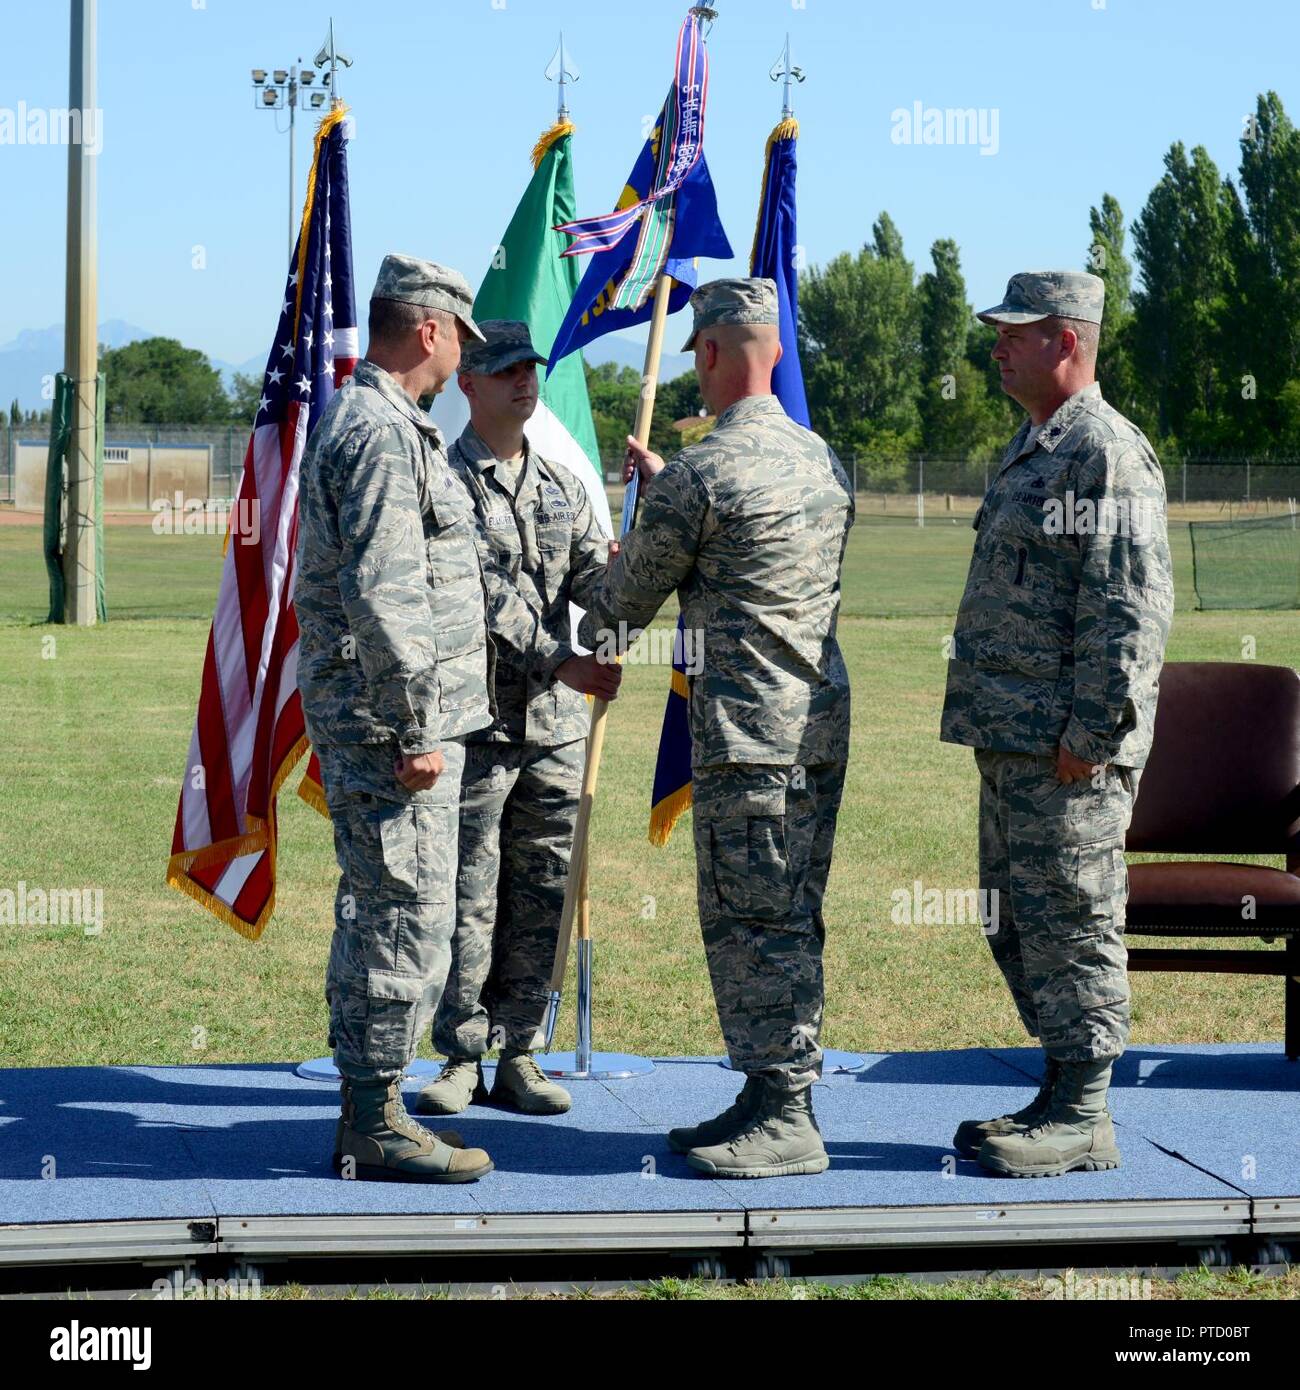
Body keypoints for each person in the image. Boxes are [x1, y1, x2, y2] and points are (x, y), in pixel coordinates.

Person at [295, 254, 612, 1182]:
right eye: (465, 342)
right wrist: (415, 730)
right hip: (395, 732)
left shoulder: (383, 424)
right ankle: (376, 1121)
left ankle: (375, 1106)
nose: (469, 359)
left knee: (395, 915)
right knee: (407, 920)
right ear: (431, 331)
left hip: (406, 722)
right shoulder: (385, 434)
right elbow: (388, 596)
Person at [576, 277, 854, 1179]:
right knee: (790, 912)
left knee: (751, 920)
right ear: (772, 352)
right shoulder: (821, 461)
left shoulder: (701, 476)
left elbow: (620, 612)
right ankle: (768, 1090)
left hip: (747, 730)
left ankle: (784, 1114)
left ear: (706, 353)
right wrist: (671, 498)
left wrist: (598, 588)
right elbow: (753, 555)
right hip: (814, 724)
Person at [941, 270, 1174, 1178]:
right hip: (1011, 736)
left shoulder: (1105, 452)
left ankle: (1084, 1113)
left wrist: (1094, 733)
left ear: (1066, 342)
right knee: (1020, 919)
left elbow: (1130, 607)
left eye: (1016, 332)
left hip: (1067, 749)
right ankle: (1059, 1090)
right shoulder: (1031, 444)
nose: (998, 346)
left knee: (1073, 919)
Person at [415, 320, 620, 1119]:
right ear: (467, 383)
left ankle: (521, 1051)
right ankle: (461, 1055)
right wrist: (561, 657)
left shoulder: (563, 488)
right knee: (471, 892)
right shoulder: (444, 480)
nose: (523, 383)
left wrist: (624, 580)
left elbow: (586, 589)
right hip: (477, 724)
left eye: (529, 369)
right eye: (504, 371)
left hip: (556, 729)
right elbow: (477, 596)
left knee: (542, 891)